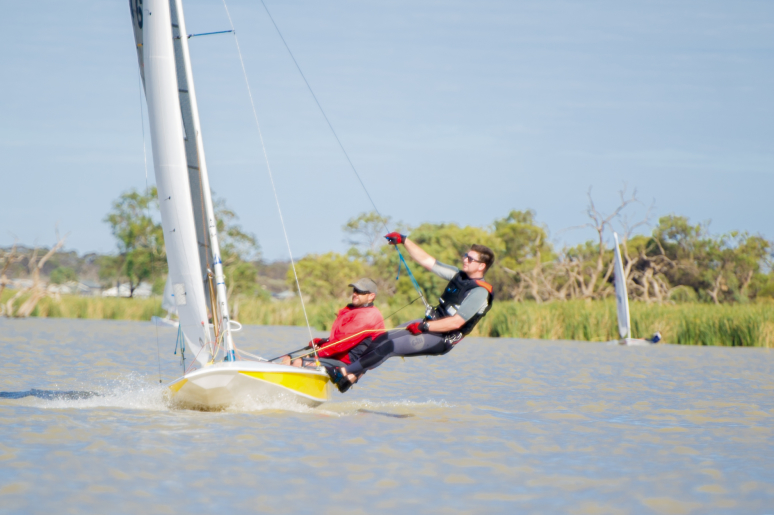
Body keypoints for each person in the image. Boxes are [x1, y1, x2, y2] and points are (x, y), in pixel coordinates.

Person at [332, 235, 495, 392]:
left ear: (481, 266)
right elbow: (427, 261)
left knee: (389, 347)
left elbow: (456, 323)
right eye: (466, 256)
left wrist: (425, 326)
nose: (465, 259)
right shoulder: (459, 276)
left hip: (441, 338)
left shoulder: (480, 292)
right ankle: (350, 378)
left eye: (470, 259)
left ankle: (345, 372)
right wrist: (404, 240)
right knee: (381, 339)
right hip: (429, 324)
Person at [279, 278, 385, 372]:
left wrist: (314, 354)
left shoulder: (367, 316)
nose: (355, 294)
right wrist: (322, 342)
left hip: (348, 363)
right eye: (354, 290)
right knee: (287, 359)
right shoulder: (356, 311)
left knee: (298, 362)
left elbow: (341, 343)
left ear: (371, 296)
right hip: (336, 356)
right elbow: (340, 339)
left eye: (360, 292)